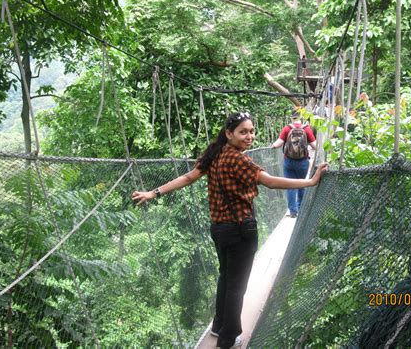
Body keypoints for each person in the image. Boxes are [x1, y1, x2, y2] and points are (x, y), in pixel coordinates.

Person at [132, 112, 327, 349]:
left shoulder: (215, 155)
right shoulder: (239, 160)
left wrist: (154, 193)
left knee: (226, 279)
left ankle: (219, 325)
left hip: (219, 230)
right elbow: (271, 181)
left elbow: (188, 177)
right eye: (243, 132)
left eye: (252, 131)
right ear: (229, 134)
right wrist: (310, 182)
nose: (250, 137)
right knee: (237, 286)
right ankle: (228, 338)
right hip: (240, 231)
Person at [270, 108, 317, 218]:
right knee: (301, 184)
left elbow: (279, 143)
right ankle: (301, 210)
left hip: (289, 161)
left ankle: (293, 211)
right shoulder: (307, 129)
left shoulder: (287, 128)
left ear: (292, 118)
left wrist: (272, 146)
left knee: (290, 186)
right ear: (301, 117)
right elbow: (315, 145)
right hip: (303, 162)